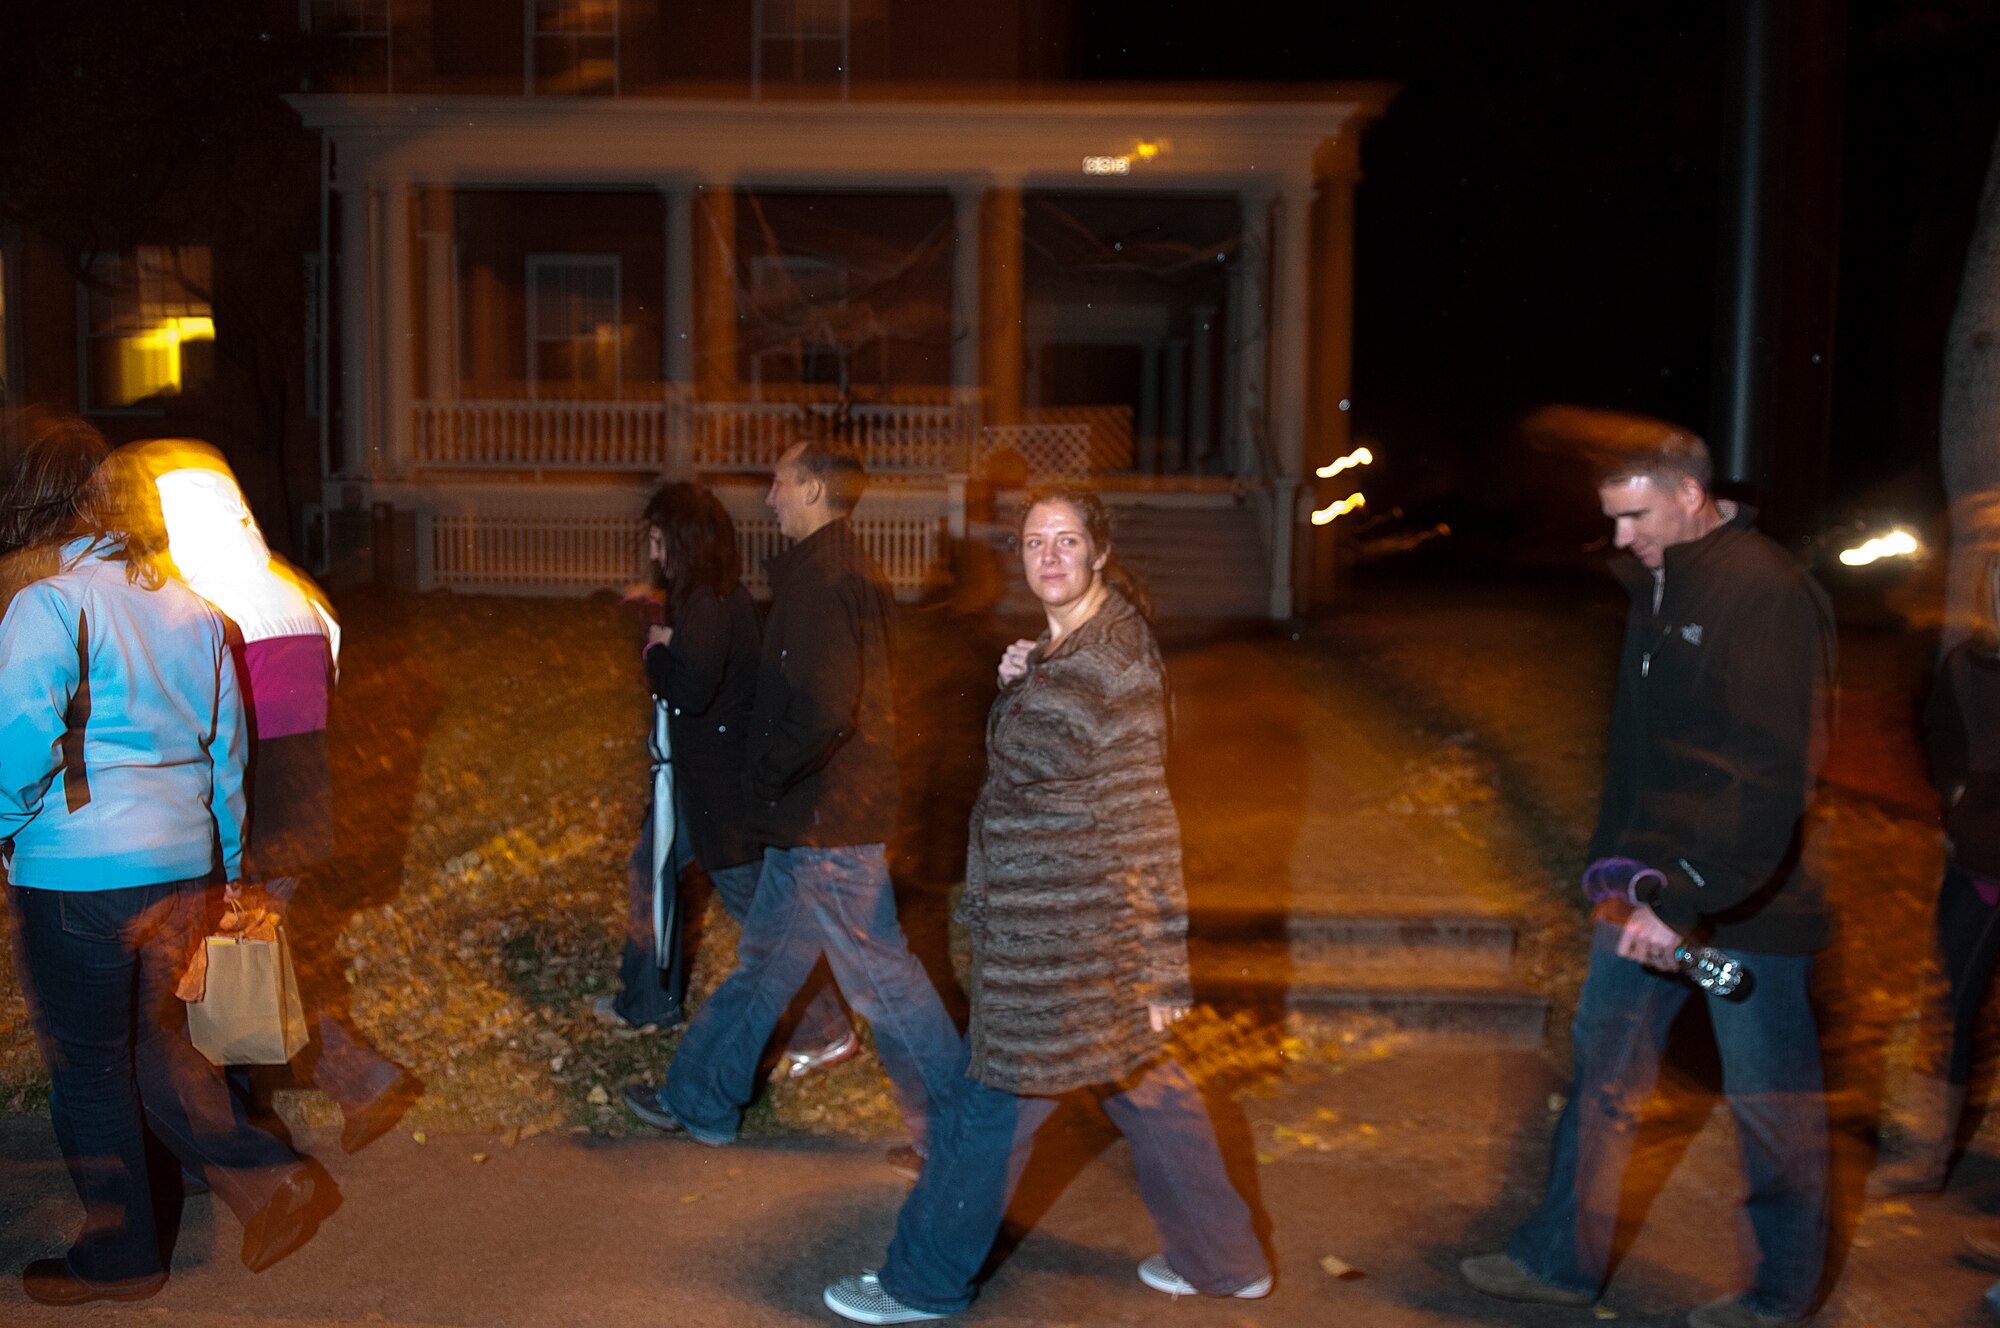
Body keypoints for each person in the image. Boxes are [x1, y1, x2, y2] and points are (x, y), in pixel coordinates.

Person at [821, 488, 1270, 1324]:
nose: (1050, 557)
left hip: (1063, 943)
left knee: (989, 1105)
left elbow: (1145, 816)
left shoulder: (1112, 660)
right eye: (1035, 542)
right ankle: (1226, 1261)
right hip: (1057, 930)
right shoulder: (1073, 648)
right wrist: (1025, 677)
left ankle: (923, 1282)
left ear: (1099, 550)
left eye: (1068, 541)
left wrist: (1164, 965)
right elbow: (1049, 756)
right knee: (1144, 1081)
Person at [1459, 421, 1835, 1328]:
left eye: (1635, 517)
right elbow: (1637, 754)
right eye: (1612, 518)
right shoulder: (1657, 585)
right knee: (1603, 1078)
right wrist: (1611, 873)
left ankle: (1779, 1297)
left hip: (1744, 915)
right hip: (1642, 901)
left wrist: (1688, 897)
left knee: (1767, 1104)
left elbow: (1769, 770)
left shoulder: (1766, 594)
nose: (1621, 538)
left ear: (1692, 496)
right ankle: (1558, 1261)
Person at [0, 416, 334, 1306]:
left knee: (89, 1064)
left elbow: (17, 744)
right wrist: (224, 872)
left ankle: (123, 1255)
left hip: (77, 874)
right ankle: (265, 1175)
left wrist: (4, 828)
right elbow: (228, 758)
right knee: (150, 1044)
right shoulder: (197, 612)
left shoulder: (51, 605)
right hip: (182, 864)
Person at [621, 439, 962, 1160]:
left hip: (826, 825)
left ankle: (963, 1136)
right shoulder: (835, 573)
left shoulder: (823, 583)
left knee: (885, 988)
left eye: (779, 483)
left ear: (812, 489)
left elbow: (826, 711)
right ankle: (700, 1099)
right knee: (768, 965)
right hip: (815, 822)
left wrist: (766, 783)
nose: (770, 498)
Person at [132, 439, 422, 1154]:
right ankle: (354, 1084)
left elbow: (195, 729)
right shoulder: (296, 598)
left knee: (210, 982)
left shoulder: (203, 610)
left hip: (240, 825)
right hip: (302, 819)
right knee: (261, 967)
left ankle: (245, 1144)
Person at [597, 479, 856, 1074]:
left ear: (683, 542)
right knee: (650, 871)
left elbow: (690, 690)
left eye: (660, 541)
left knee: (761, 920)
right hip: (701, 786)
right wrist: (667, 637)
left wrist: (654, 653)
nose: (655, 554)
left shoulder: (710, 605)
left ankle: (826, 1029)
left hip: (723, 799)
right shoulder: (706, 599)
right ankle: (646, 1004)